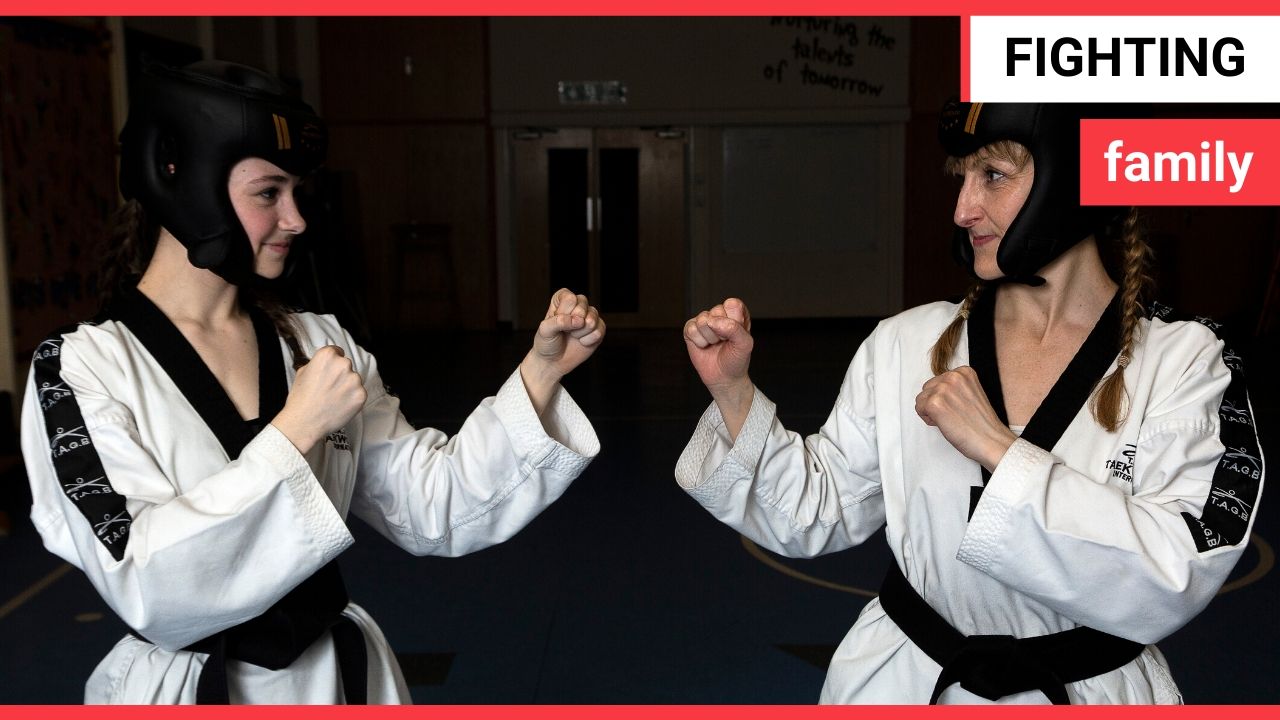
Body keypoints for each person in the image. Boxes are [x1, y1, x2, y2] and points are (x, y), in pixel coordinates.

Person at [20, 60, 605, 704]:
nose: (295, 219)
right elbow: (142, 582)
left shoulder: (316, 345)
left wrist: (541, 373)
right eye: (268, 193)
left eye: (298, 193)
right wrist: (294, 431)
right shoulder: (82, 368)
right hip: (187, 688)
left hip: (333, 681)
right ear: (179, 181)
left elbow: (433, 507)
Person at [675, 102, 1263, 704]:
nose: (962, 209)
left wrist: (1000, 450)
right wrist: (734, 392)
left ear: (1074, 178)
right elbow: (815, 509)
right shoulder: (907, 343)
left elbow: (1177, 569)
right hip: (908, 679)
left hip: (1089, 690)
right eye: (963, 179)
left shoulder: (1186, 361)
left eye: (995, 176)